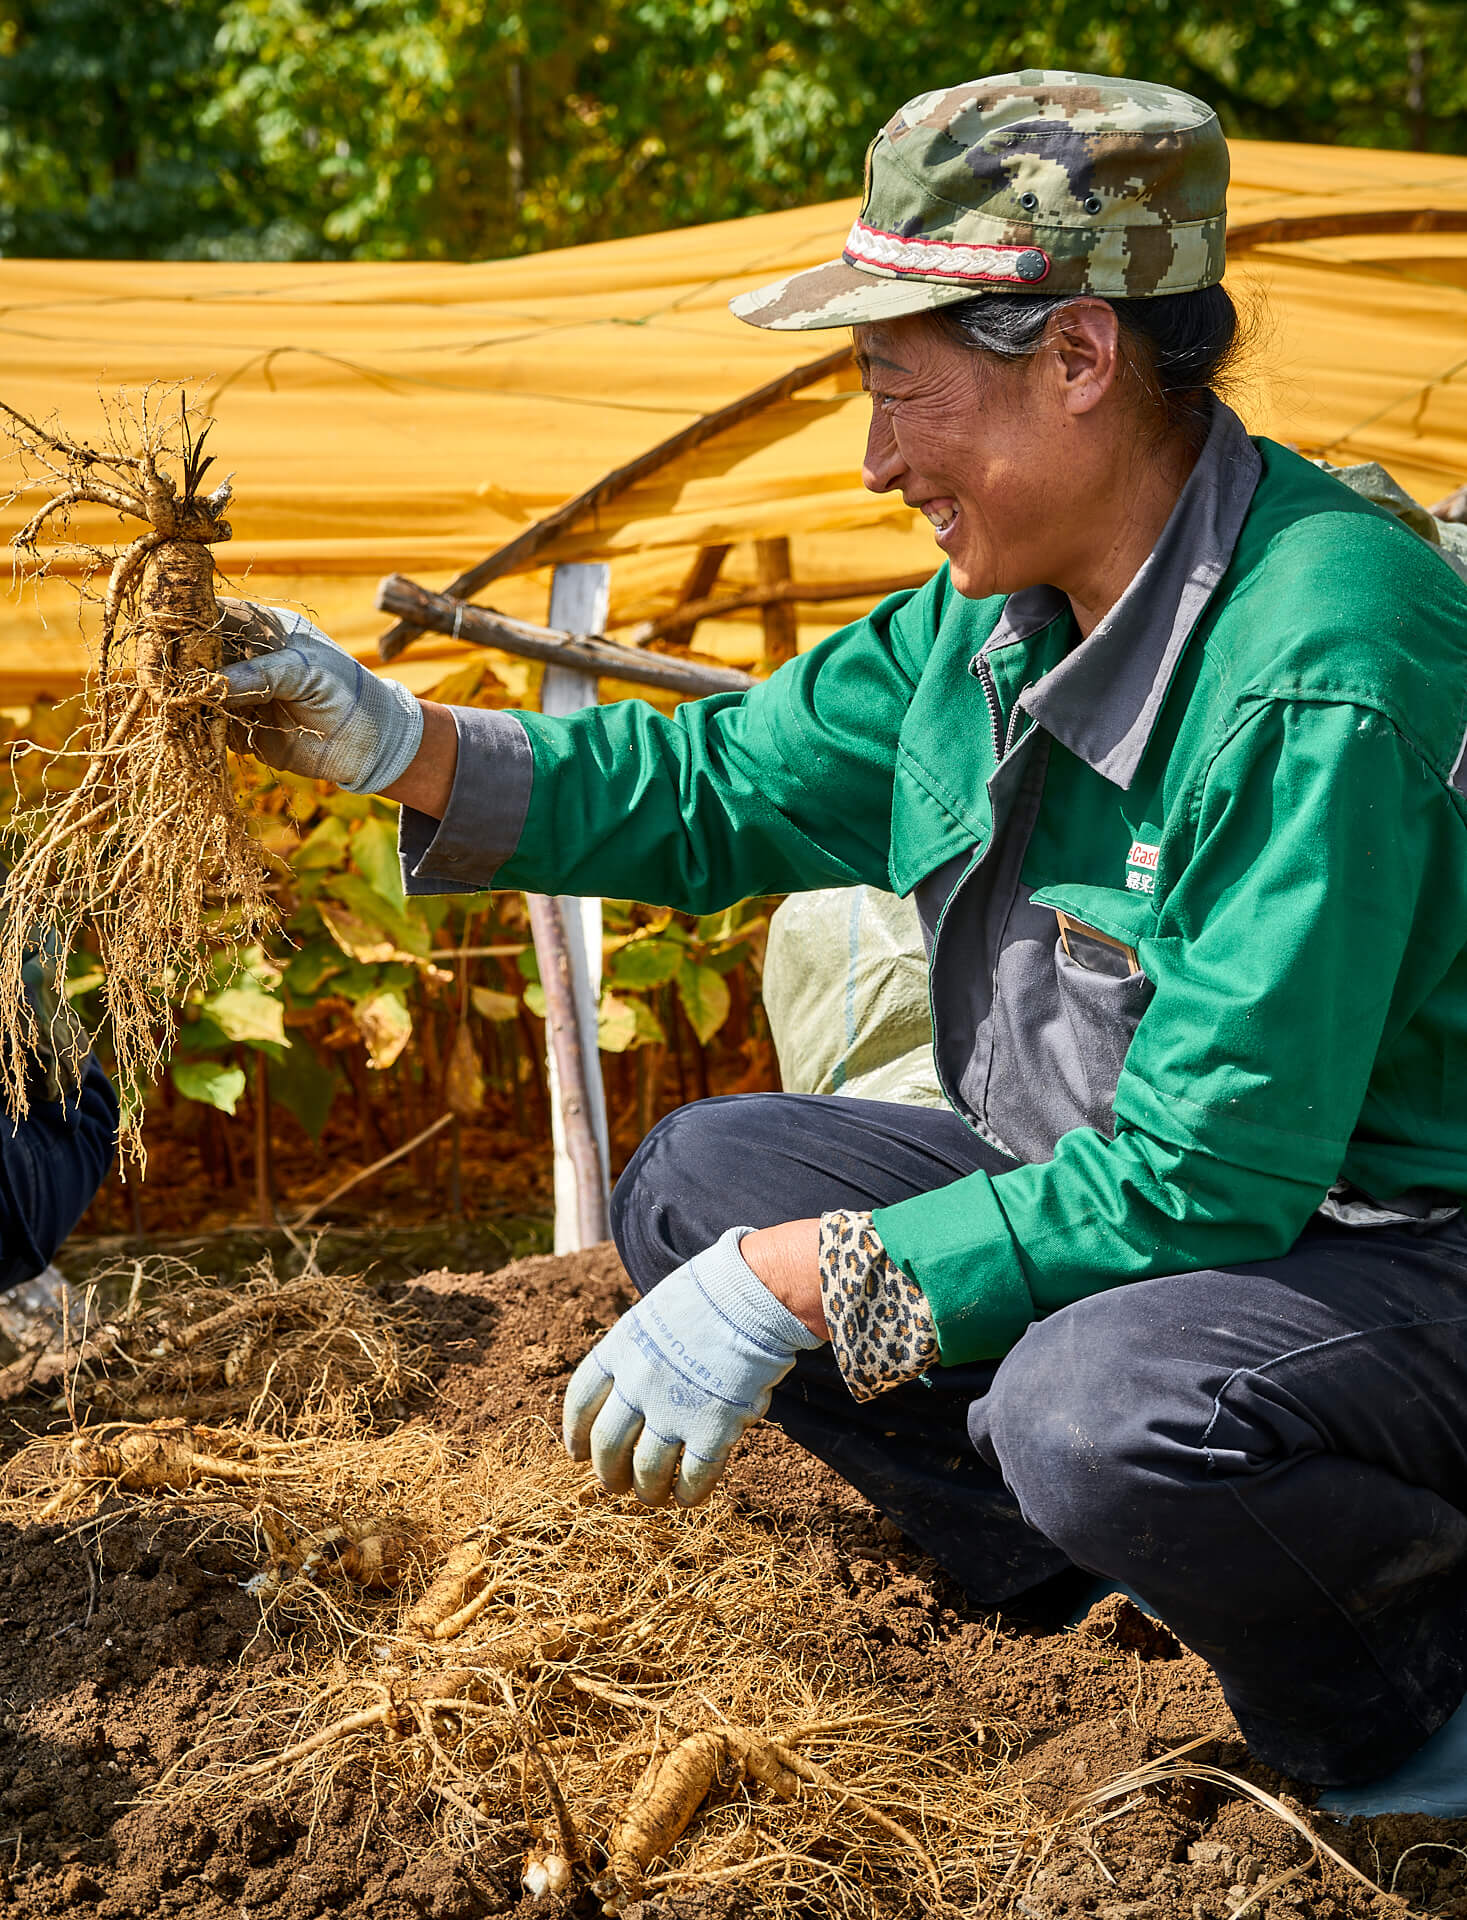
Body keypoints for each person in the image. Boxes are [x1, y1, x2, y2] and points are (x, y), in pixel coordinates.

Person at [220, 70, 1467, 1790]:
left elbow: (1212, 1182)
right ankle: (1114, 1575)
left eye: (901, 390)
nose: (880, 459)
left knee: (1093, 1403)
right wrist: (398, 743)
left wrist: (801, 1283)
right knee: (704, 1184)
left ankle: (1410, 1711)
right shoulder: (993, 624)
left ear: (1081, 357)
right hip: (1157, 1219)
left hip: (1401, 1249)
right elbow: (718, 779)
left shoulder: (1318, 654)